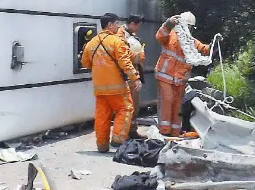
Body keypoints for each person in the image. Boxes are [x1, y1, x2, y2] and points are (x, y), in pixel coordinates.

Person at [80, 12, 141, 152]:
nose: (118, 26)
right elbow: (125, 62)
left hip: (99, 88)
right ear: (110, 25)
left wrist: (99, 68)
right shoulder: (116, 41)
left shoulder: (91, 43)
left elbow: (85, 62)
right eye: (116, 24)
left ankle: (102, 145)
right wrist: (135, 78)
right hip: (117, 87)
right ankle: (118, 140)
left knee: (102, 115)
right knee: (125, 109)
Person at [154, 11, 211, 136]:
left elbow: (204, 50)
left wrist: (214, 45)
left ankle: (174, 131)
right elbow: (159, 36)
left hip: (180, 80)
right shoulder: (170, 35)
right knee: (167, 101)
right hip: (165, 76)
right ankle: (164, 131)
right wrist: (167, 24)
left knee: (177, 105)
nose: (188, 29)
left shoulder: (191, 42)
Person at [124, 15, 146, 106]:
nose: (138, 29)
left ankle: (132, 120)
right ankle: (132, 120)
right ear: (132, 24)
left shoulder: (130, 35)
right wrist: (140, 55)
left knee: (133, 102)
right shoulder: (122, 35)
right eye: (138, 26)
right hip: (128, 75)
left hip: (132, 74)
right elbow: (123, 55)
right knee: (131, 104)